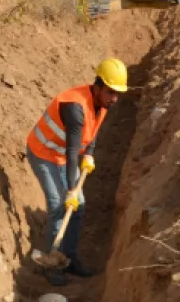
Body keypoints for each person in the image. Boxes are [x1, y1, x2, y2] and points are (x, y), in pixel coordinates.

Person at [25, 58, 127, 285]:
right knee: (58, 206)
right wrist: (71, 189)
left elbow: (93, 133)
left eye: (117, 93)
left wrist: (89, 153)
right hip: (43, 153)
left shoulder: (102, 103)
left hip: (60, 156)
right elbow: (73, 152)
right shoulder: (75, 108)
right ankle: (51, 267)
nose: (115, 98)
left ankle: (68, 258)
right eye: (111, 92)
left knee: (78, 206)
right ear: (98, 86)